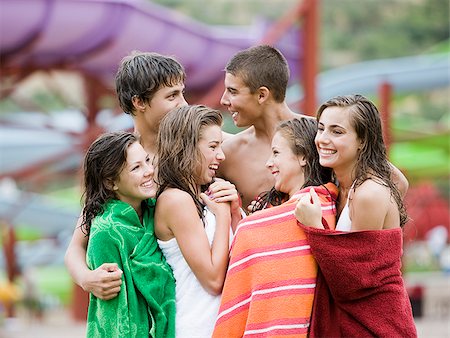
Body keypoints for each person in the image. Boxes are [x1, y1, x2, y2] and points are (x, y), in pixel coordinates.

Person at [64, 51, 188, 300]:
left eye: (182, 93)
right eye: (172, 96)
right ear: (139, 102)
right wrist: (88, 279)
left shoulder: (198, 148)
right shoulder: (116, 161)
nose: (184, 104)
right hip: (140, 302)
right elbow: (75, 247)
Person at [295, 94, 417, 337]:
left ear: (363, 140)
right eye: (321, 129)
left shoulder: (367, 194)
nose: (323, 140)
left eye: (337, 132)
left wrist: (314, 230)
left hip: (376, 326)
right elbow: (401, 183)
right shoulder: (345, 185)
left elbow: (354, 282)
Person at [212, 117, 337, 337]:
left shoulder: (316, 208)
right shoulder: (332, 204)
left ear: (303, 157)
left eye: (276, 153)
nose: (269, 162)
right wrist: (236, 214)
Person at [154, 105, 242, 337]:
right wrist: (223, 217)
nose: (221, 155)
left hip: (220, 325)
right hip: (198, 326)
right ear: (185, 148)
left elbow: (240, 257)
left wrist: (234, 213)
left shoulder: (204, 197)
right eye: (213, 147)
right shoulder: (176, 200)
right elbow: (213, 280)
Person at [81, 131, 175, 337]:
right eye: (136, 168)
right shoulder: (106, 232)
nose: (149, 171)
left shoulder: (155, 209)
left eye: (148, 161)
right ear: (110, 182)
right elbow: (116, 316)